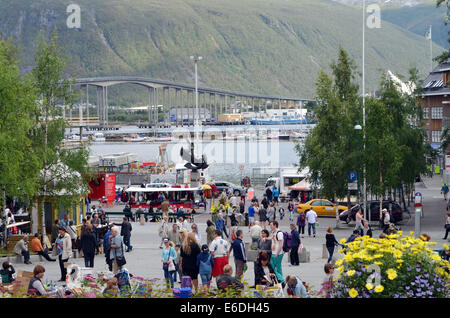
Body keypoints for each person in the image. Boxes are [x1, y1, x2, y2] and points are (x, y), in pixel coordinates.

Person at [270, 221, 285, 285]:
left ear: (275, 225)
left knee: (274, 268)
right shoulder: (274, 232)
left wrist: (277, 253)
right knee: (276, 267)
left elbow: (281, 245)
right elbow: (272, 239)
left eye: (271, 225)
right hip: (273, 252)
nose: (270, 226)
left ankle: (281, 280)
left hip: (277, 253)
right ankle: (280, 280)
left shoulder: (279, 233)